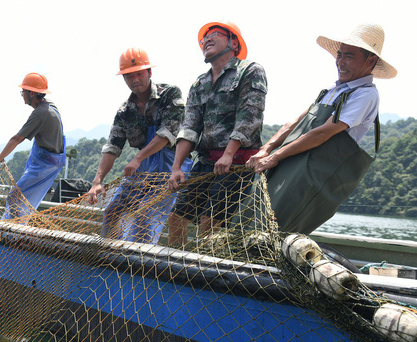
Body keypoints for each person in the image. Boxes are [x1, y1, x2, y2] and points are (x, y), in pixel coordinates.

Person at [246, 23, 396, 234]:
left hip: (309, 177)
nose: (340, 62)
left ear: (370, 61)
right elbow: (295, 122)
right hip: (287, 164)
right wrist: (267, 149)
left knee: (274, 228)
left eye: (349, 56)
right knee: (251, 218)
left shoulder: (366, 94)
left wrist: (276, 156)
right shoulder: (333, 90)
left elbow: (324, 132)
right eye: (339, 55)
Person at [167, 21, 267, 245]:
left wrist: (229, 153)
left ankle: (203, 273)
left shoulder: (249, 71)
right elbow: (190, 127)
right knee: (176, 219)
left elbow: (249, 116)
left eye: (214, 34)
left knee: (209, 222)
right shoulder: (199, 84)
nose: (207, 40)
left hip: (237, 164)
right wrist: (176, 168)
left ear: (233, 42)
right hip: (205, 163)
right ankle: (177, 271)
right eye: (204, 38)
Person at [86, 47, 192, 244]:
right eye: (128, 76)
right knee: (112, 210)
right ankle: (109, 257)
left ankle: (135, 267)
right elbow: (112, 146)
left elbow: (166, 133)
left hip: (171, 166)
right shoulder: (125, 111)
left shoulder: (170, 94)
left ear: (149, 73)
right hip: (143, 169)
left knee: (143, 215)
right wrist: (97, 181)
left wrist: (137, 158)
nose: (135, 80)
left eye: (139, 74)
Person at [0, 73, 66, 220]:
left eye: (23, 92)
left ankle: (11, 231)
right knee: (22, 199)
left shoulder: (40, 113)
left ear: (32, 93)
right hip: (49, 162)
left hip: (44, 166)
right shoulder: (50, 106)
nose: (22, 95)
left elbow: (16, 138)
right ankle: (18, 225)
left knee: (14, 197)